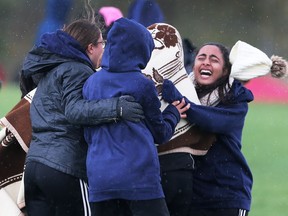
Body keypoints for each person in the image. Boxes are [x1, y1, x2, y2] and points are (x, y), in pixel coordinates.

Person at [22, 14, 145, 216]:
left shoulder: (49, 70)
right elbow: (75, 110)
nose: (103, 49)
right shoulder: (78, 69)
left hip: (34, 167)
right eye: (101, 44)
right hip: (64, 168)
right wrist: (117, 108)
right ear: (90, 48)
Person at [161, 40, 287, 216]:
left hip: (227, 195)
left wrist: (183, 104)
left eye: (214, 59)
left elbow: (212, 120)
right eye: (201, 57)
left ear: (226, 71)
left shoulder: (236, 99)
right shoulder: (184, 93)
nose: (206, 62)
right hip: (193, 196)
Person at [82, 17, 188, 216]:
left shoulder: (91, 82)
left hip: (100, 177)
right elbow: (160, 133)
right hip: (138, 179)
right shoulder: (141, 84)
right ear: (141, 49)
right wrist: (173, 112)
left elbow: (87, 131)